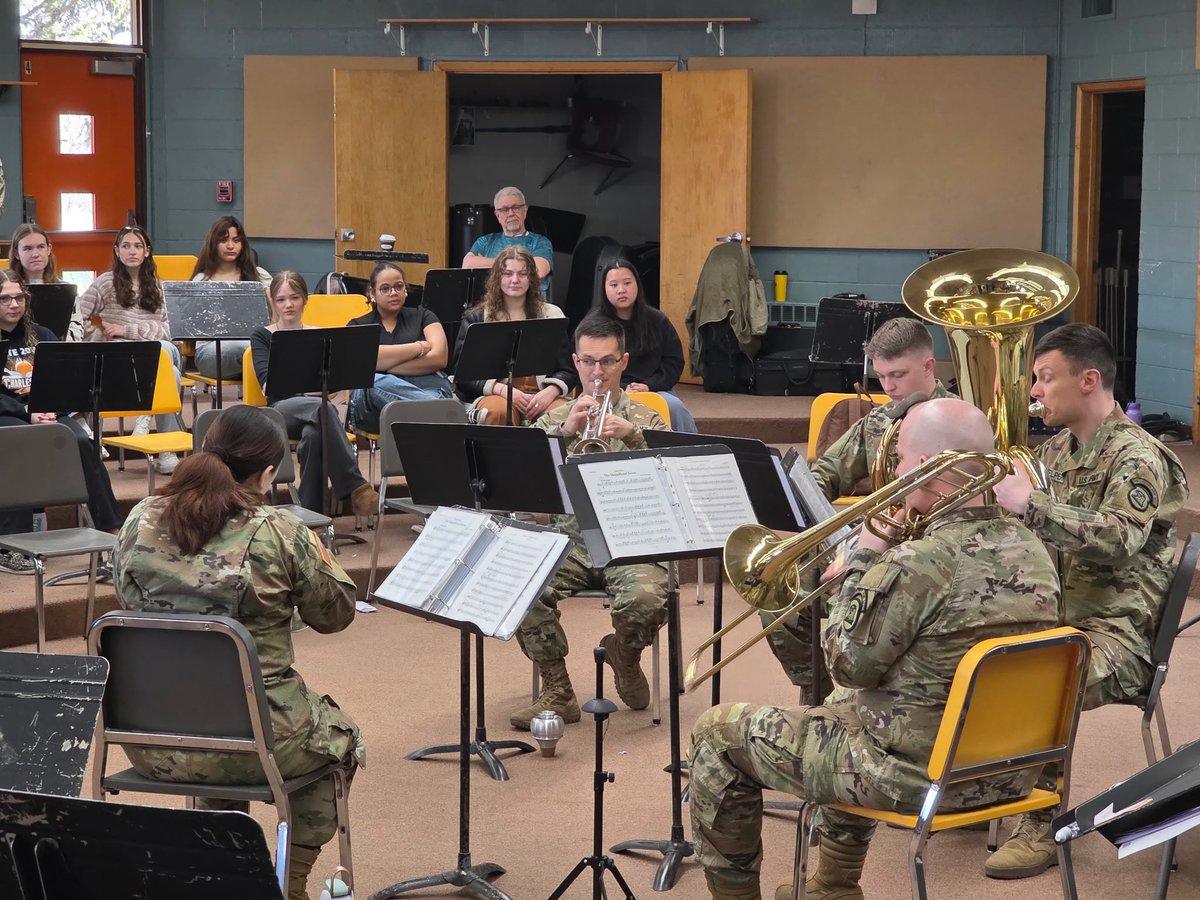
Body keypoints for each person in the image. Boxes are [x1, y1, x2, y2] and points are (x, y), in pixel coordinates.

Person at [689, 398, 1061, 900]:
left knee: (715, 734)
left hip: (914, 775)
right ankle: (833, 885)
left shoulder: (917, 562)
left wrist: (864, 558)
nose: (896, 473)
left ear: (928, 467)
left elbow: (847, 664)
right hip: (1010, 772)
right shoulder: (1037, 550)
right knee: (845, 708)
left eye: (902, 460)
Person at [110, 404, 364, 900]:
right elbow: (336, 614)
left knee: (219, 722)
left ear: (205, 450)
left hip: (151, 740)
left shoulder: (141, 518)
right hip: (255, 742)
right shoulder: (279, 531)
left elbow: (127, 601)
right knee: (341, 741)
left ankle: (227, 874)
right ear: (267, 474)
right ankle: (287, 885)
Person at [987, 322, 1188, 880]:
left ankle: (1040, 819)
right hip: (1052, 615)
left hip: (1116, 635)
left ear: (1088, 380)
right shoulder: (1054, 451)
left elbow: (1120, 537)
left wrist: (1030, 504)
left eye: (1044, 378)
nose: (1034, 391)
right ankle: (986, 790)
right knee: (958, 648)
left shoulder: (1136, 455)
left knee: (1038, 674)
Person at [765, 317, 952, 700]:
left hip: (929, 558)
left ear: (928, 366)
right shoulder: (879, 420)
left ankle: (863, 695)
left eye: (898, 375)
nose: (888, 387)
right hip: (872, 544)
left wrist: (861, 558)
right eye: (881, 377)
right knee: (778, 593)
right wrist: (834, 539)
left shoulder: (959, 421)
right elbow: (826, 474)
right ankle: (815, 690)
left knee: (857, 604)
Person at [511, 315, 670, 730]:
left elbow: (673, 484)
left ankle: (625, 655)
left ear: (624, 362)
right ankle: (558, 690)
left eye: (607, 361)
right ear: (575, 362)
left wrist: (634, 437)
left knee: (646, 601)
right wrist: (565, 432)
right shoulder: (555, 419)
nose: (597, 372)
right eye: (588, 362)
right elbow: (523, 477)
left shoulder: (648, 420)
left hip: (632, 542)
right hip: (571, 542)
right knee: (520, 587)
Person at [0, 271, 122, 574]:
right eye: (5, 299)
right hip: (9, 413)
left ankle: (112, 529)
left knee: (81, 441)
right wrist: (28, 414)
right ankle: (11, 544)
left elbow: (68, 381)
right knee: (20, 442)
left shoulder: (42, 334)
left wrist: (52, 408)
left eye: (19, 297)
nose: (14, 304)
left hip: (48, 411)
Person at [250, 271, 378, 517]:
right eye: (281, 299)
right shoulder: (263, 336)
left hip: (318, 412)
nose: (288, 305)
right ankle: (354, 485)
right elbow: (268, 384)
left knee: (313, 436)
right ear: (273, 303)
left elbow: (333, 383)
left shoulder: (318, 334)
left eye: (294, 298)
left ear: (305, 299)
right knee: (322, 408)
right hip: (281, 411)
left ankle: (312, 519)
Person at [79, 225, 185, 474]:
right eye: (125, 246)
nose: (132, 251)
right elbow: (79, 318)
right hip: (120, 358)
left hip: (154, 355)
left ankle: (153, 431)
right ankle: (163, 444)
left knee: (166, 357)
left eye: (138, 246)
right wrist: (102, 336)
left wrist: (127, 330)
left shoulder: (158, 287)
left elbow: (170, 329)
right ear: (117, 251)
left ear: (147, 251)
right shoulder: (105, 283)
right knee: (167, 365)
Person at [454, 246, 572, 425]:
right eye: (508, 274)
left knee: (560, 414)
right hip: (496, 394)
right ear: (497, 277)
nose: (515, 280)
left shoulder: (552, 314)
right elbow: (463, 376)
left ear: (531, 278)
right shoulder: (476, 318)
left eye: (522, 274)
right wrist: (503, 390)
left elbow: (567, 370)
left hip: (541, 393)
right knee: (498, 412)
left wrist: (550, 391)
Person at [584, 257, 697, 432]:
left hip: (654, 390)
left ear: (637, 284)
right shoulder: (593, 325)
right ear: (604, 289)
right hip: (607, 390)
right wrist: (622, 388)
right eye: (614, 285)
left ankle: (690, 448)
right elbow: (587, 365)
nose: (621, 290)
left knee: (675, 407)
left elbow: (673, 362)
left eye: (627, 283)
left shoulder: (657, 320)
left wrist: (648, 385)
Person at [346, 261, 453, 434]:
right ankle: (444, 414)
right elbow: (363, 361)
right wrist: (418, 348)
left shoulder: (423, 316)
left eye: (398, 286)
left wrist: (385, 366)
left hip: (429, 390)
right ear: (372, 293)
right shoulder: (358, 325)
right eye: (385, 288)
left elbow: (439, 358)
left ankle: (435, 412)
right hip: (373, 407)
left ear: (405, 289)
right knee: (373, 382)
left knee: (375, 377)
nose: (393, 293)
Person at [190, 215, 272, 380]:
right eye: (223, 240)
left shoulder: (259, 275)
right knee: (248, 348)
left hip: (252, 347)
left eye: (236, 240)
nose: (230, 246)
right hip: (211, 352)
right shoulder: (201, 280)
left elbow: (276, 312)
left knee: (262, 348)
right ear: (213, 244)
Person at [462, 186, 554, 298]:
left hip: (531, 305)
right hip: (492, 304)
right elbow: (467, 265)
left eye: (515, 207)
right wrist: (521, 265)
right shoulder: (486, 241)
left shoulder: (540, 242)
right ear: (498, 215)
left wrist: (489, 265)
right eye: (505, 209)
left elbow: (539, 270)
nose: (511, 213)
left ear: (525, 211)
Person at [8, 223, 83, 340]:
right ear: (16, 253)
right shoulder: (5, 290)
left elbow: (76, 328)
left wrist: (56, 347)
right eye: (28, 249)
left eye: (41, 247)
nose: (35, 254)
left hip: (57, 349)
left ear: (48, 249)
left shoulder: (66, 290)